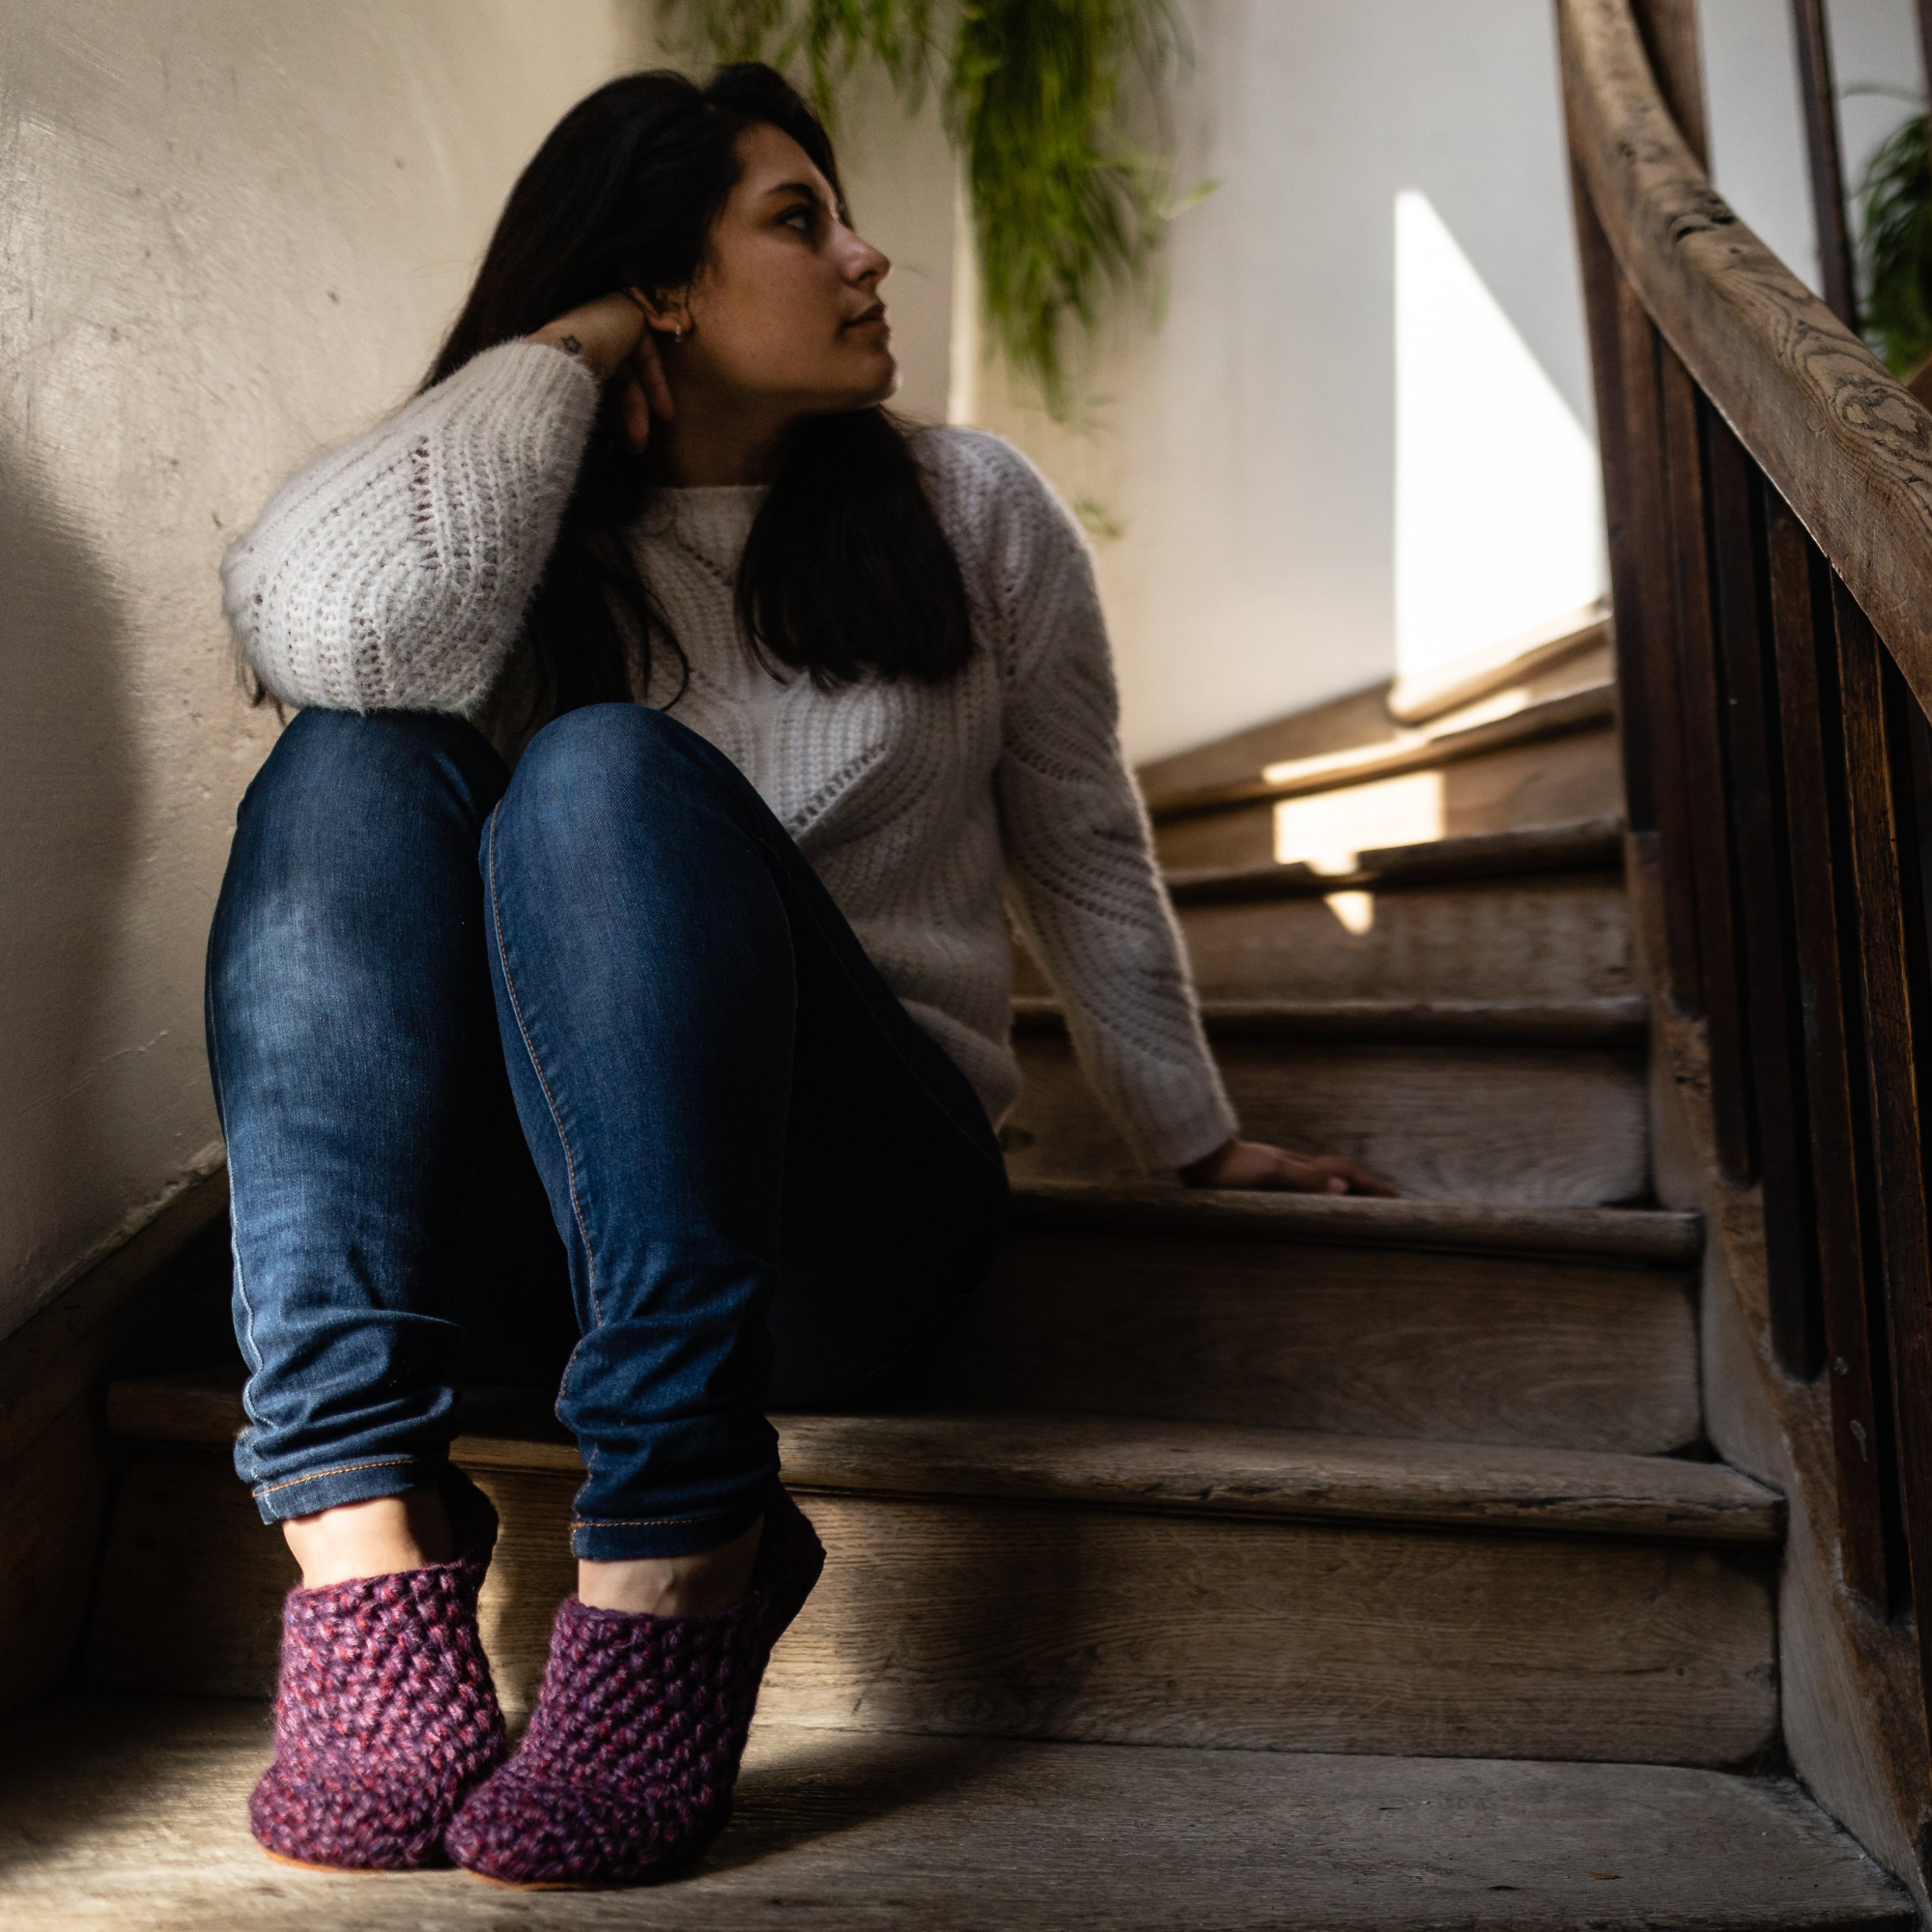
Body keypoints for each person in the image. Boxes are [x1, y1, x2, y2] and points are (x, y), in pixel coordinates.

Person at [206, 60, 1393, 1891]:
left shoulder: (970, 513)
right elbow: (340, 634)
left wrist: (1193, 1139)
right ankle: (360, 1535)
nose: (867, 255)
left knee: (602, 775)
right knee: (353, 756)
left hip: (845, 1217)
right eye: (799, 220)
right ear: (665, 281)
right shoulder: (514, 534)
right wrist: (572, 350)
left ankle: (688, 1543)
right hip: (540, 1249)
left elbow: (1080, 837)